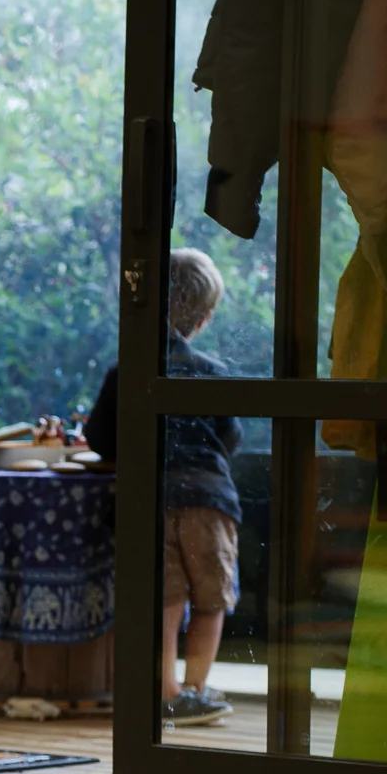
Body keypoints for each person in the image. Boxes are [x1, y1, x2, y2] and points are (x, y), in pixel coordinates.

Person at [87, 248, 241, 727]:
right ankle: (196, 690)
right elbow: (230, 437)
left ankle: (166, 690)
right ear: (206, 316)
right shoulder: (214, 373)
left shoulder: (126, 371)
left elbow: (100, 439)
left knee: (166, 598)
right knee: (210, 597)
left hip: (150, 498)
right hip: (210, 502)